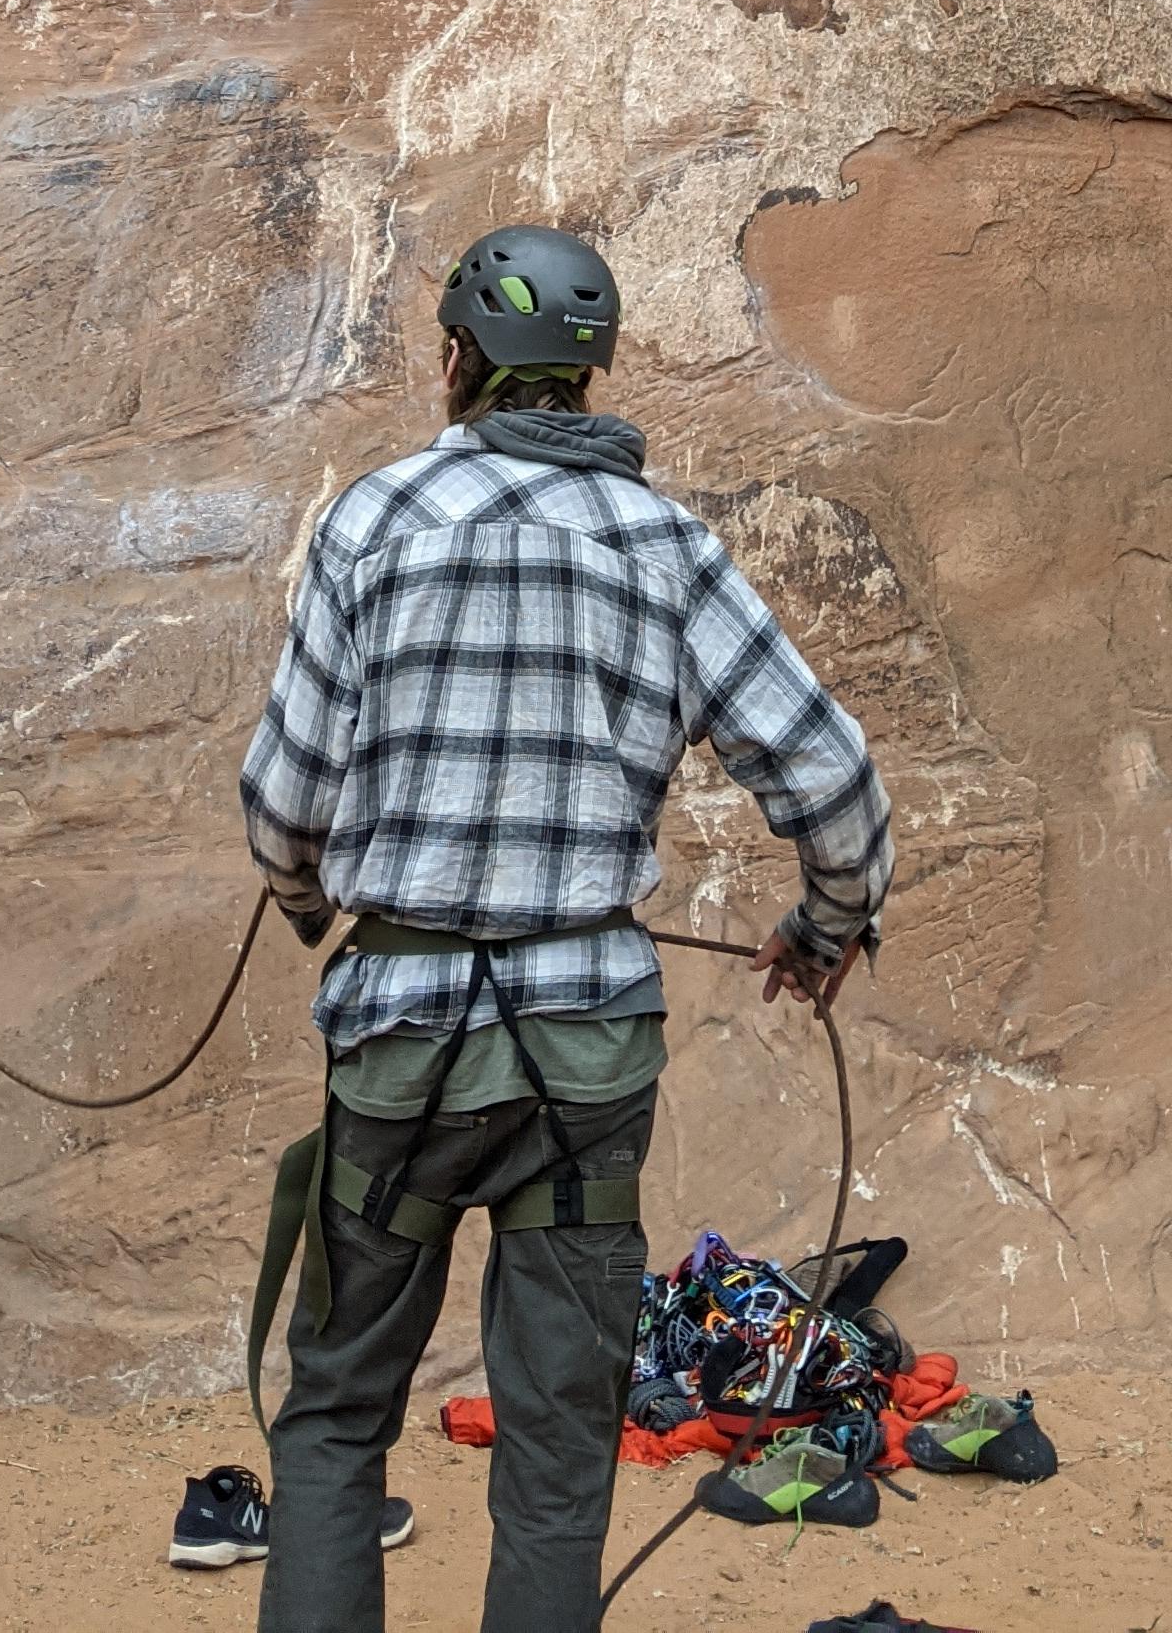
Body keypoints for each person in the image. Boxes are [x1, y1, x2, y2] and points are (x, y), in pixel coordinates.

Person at [236, 225, 891, 1633]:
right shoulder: (664, 544)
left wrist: (306, 909)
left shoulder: (376, 518)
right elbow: (831, 779)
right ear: (588, 377)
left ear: (461, 360)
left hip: (400, 1048)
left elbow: (284, 802)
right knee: (554, 1443)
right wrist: (827, 927)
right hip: (585, 1057)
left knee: (341, 1412)